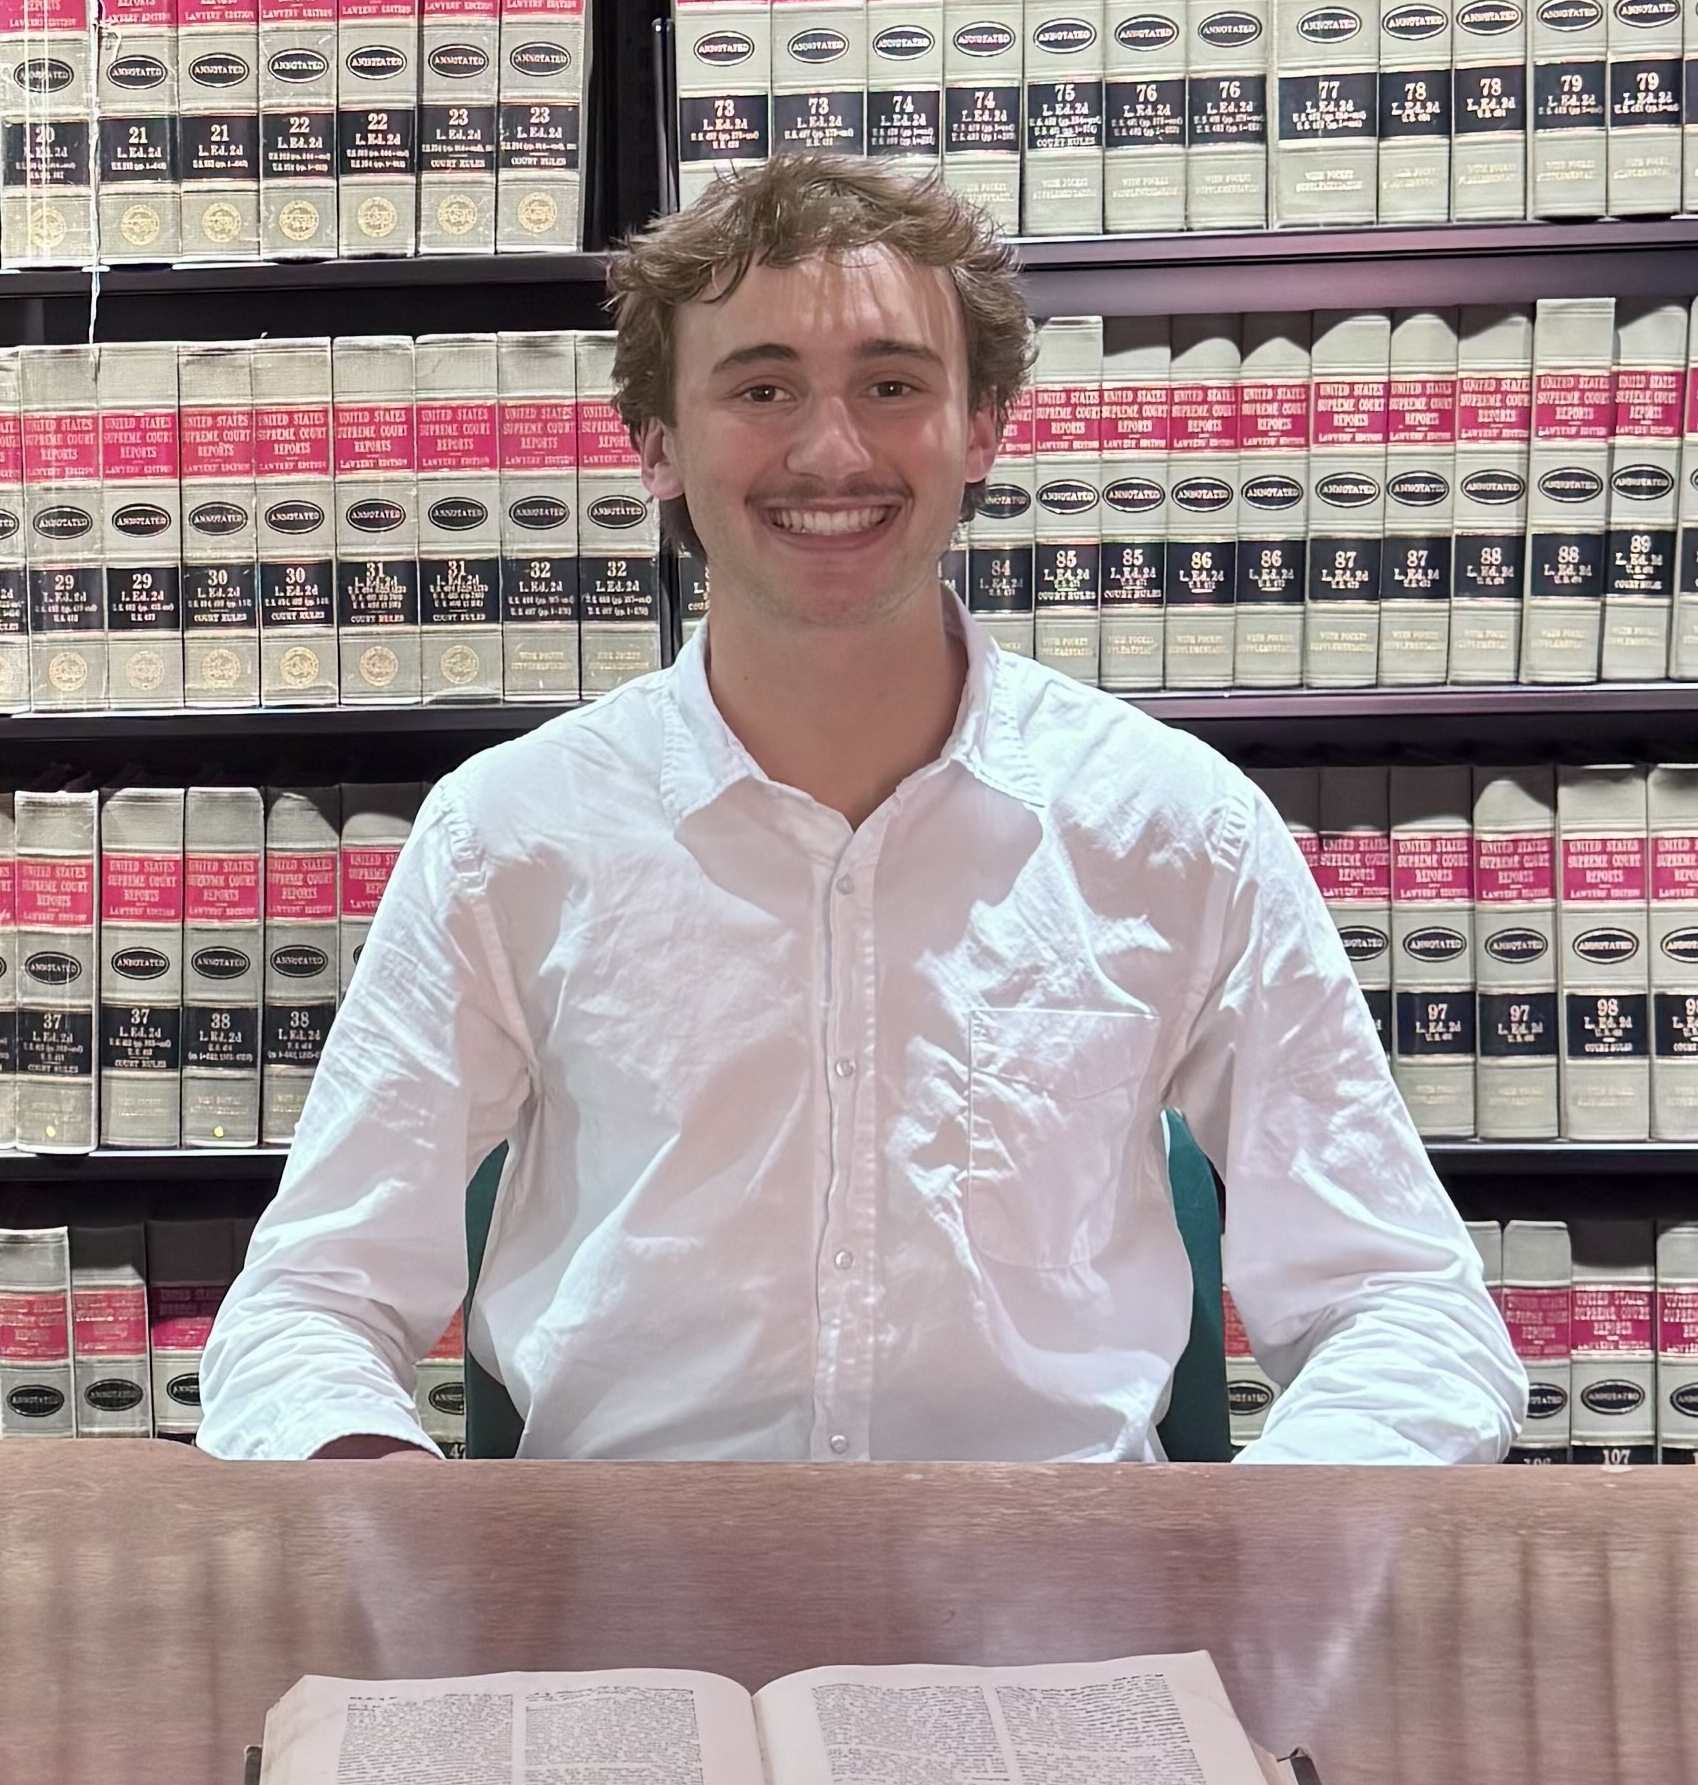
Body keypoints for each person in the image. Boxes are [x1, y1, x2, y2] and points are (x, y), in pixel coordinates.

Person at [196, 156, 1521, 1465]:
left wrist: (1251, 1567)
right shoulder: (510, 836)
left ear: (982, 427)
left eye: (892, 385)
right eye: (760, 387)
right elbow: (313, 1301)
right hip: (626, 1612)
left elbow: (1401, 1301)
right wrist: (389, 1531)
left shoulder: (1173, 829)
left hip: (1060, 1615)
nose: (831, 449)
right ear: (656, 442)